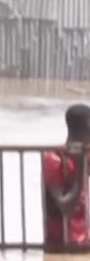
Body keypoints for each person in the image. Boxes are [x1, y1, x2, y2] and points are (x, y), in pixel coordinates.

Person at [42, 103, 89, 250]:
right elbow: (66, 207)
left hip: (83, 241)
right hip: (62, 243)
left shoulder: (86, 155)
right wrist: (80, 165)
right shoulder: (54, 158)